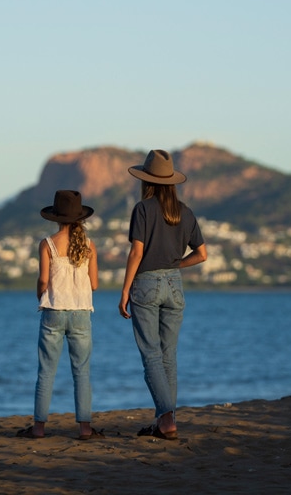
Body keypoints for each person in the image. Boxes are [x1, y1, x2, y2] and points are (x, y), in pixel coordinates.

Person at [119, 149, 207, 440]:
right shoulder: (186, 212)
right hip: (175, 285)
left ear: (147, 181)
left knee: (151, 356)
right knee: (169, 356)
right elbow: (202, 254)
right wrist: (175, 265)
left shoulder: (142, 209)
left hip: (146, 283)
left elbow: (137, 252)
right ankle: (166, 420)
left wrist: (124, 291)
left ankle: (166, 420)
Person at [18, 190, 99, 440]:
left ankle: (39, 428)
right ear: (80, 218)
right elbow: (94, 284)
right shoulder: (89, 246)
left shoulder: (48, 244)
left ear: (56, 217)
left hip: (53, 311)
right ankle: (85, 428)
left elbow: (43, 280)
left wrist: (41, 294)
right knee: (82, 372)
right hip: (81, 313)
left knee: (46, 372)